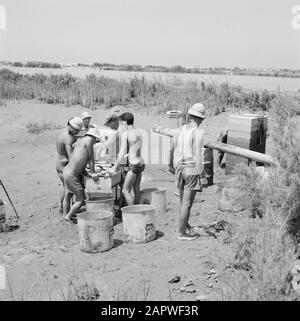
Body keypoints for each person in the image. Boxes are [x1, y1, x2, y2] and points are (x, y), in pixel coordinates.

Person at [169, 103, 206, 241]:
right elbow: (197, 155)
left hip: (180, 167)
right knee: (187, 203)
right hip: (191, 168)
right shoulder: (199, 132)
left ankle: (185, 225)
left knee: (182, 200)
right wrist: (202, 174)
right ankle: (181, 233)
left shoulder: (180, 129)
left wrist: (170, 165)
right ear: (202, 119)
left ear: (190, 115)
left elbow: (172, 148)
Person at [63, 128, 101, 223]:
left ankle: (66, 214)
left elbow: (80, 160)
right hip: (71, 175)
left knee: (68, 194)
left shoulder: (80, 141)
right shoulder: (89, 141)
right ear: (93, 137)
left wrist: (87, 174)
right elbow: (91, 159)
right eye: (95, 141)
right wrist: (93, 173)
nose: (95, 143)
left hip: (67, 171)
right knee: (81, 199)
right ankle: (68, 217)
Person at [110, 112, 145, 206]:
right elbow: (135, 148)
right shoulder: (139, 132)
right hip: (141, 163)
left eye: (121, 123)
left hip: (134, 165)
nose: (121, 125)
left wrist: (114, 167)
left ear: (125, 122)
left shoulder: (126, 134)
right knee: (136, 189)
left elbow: (121, 152)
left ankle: (133, 212)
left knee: (125, 191)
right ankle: (138, 210)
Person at [55, 117, 83, 214]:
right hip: (65, 166)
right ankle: (66, 214)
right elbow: (72, 158)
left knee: (64, 187)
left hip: (60, 164)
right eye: (76, 130)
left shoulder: (63, 132)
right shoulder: (68, 138)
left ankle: (61, 207)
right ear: (70, 126)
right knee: (69, 192)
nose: (77, 132)